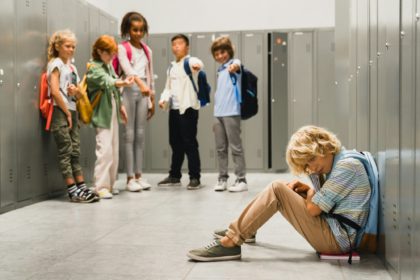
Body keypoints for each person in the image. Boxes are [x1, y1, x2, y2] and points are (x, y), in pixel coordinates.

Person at [187, 125, 371, 261]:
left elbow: (314, 209)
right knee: (282, 187)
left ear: (323, 147)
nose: (311, 168)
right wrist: (309, 189)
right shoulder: (338, 164)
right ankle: (246, 230)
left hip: (339, 240)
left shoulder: (347, 166)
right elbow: (322, 201)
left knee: (277, 189)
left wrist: (310, 191)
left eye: (311, 160)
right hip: (334, 229)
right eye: (306, 165)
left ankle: (231, 242)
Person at [46, 29, 97, 203]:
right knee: (65, 150)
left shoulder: (72, 67)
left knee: (75, 150)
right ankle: (72, 190)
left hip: (72, 110)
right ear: (58, 46)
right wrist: (67, 112)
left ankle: (82, 186)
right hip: (60, 111)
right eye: (68, 46)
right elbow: (54, 91)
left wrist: (76, 92)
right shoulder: (56, 64)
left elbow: (78, 94)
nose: (71, 49)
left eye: (73, 47)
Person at [87, 35, 134, 199]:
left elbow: (113, 83)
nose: (112, 57)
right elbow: (108, 82)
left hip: (112, 109)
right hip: (102, 113)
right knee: (105, 150)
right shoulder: (94, 67)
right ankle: (100, 186)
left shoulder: (107, 66)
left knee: (113, 149)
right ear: (99, 51)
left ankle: (110, 184)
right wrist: (124, 83)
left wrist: (121, 106)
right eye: (109, 54)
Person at [157, 34, 204, 190]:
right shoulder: (171, 67)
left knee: (190, 143)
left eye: (179, 44)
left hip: (188, 109)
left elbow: (198, 63)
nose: (176, 47)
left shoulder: (189, 63)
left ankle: (195, 177)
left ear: (187, 47)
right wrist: (163, 99)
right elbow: (167, 87)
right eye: (174, 44)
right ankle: (175, 176)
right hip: (174, 110)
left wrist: (198, 66)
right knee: (175, 143)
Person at [118, 11, 155, 192]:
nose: (138, 34)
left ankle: (139, 175)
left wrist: (151, 99)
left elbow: (150, 76)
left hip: (144, 91)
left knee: (140, 135)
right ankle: (130, 178)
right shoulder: (122, 48)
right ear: (128, 30)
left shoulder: (147, 50)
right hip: (129, 88)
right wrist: (141, 86)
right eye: (134, 30)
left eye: (141, 30)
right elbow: (128, 70)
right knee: (129, 134)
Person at [210, 36, 247, 192]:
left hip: (231, 112)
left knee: (235, 147)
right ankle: (222, 178)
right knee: (220, 148)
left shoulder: (233, 64)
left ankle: (241, 180)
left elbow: (238, 65)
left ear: (229, 51)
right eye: (216, 54)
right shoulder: (220, 69)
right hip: (218, 113)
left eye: (223, 52)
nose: (220, 56)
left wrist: (234, 66)